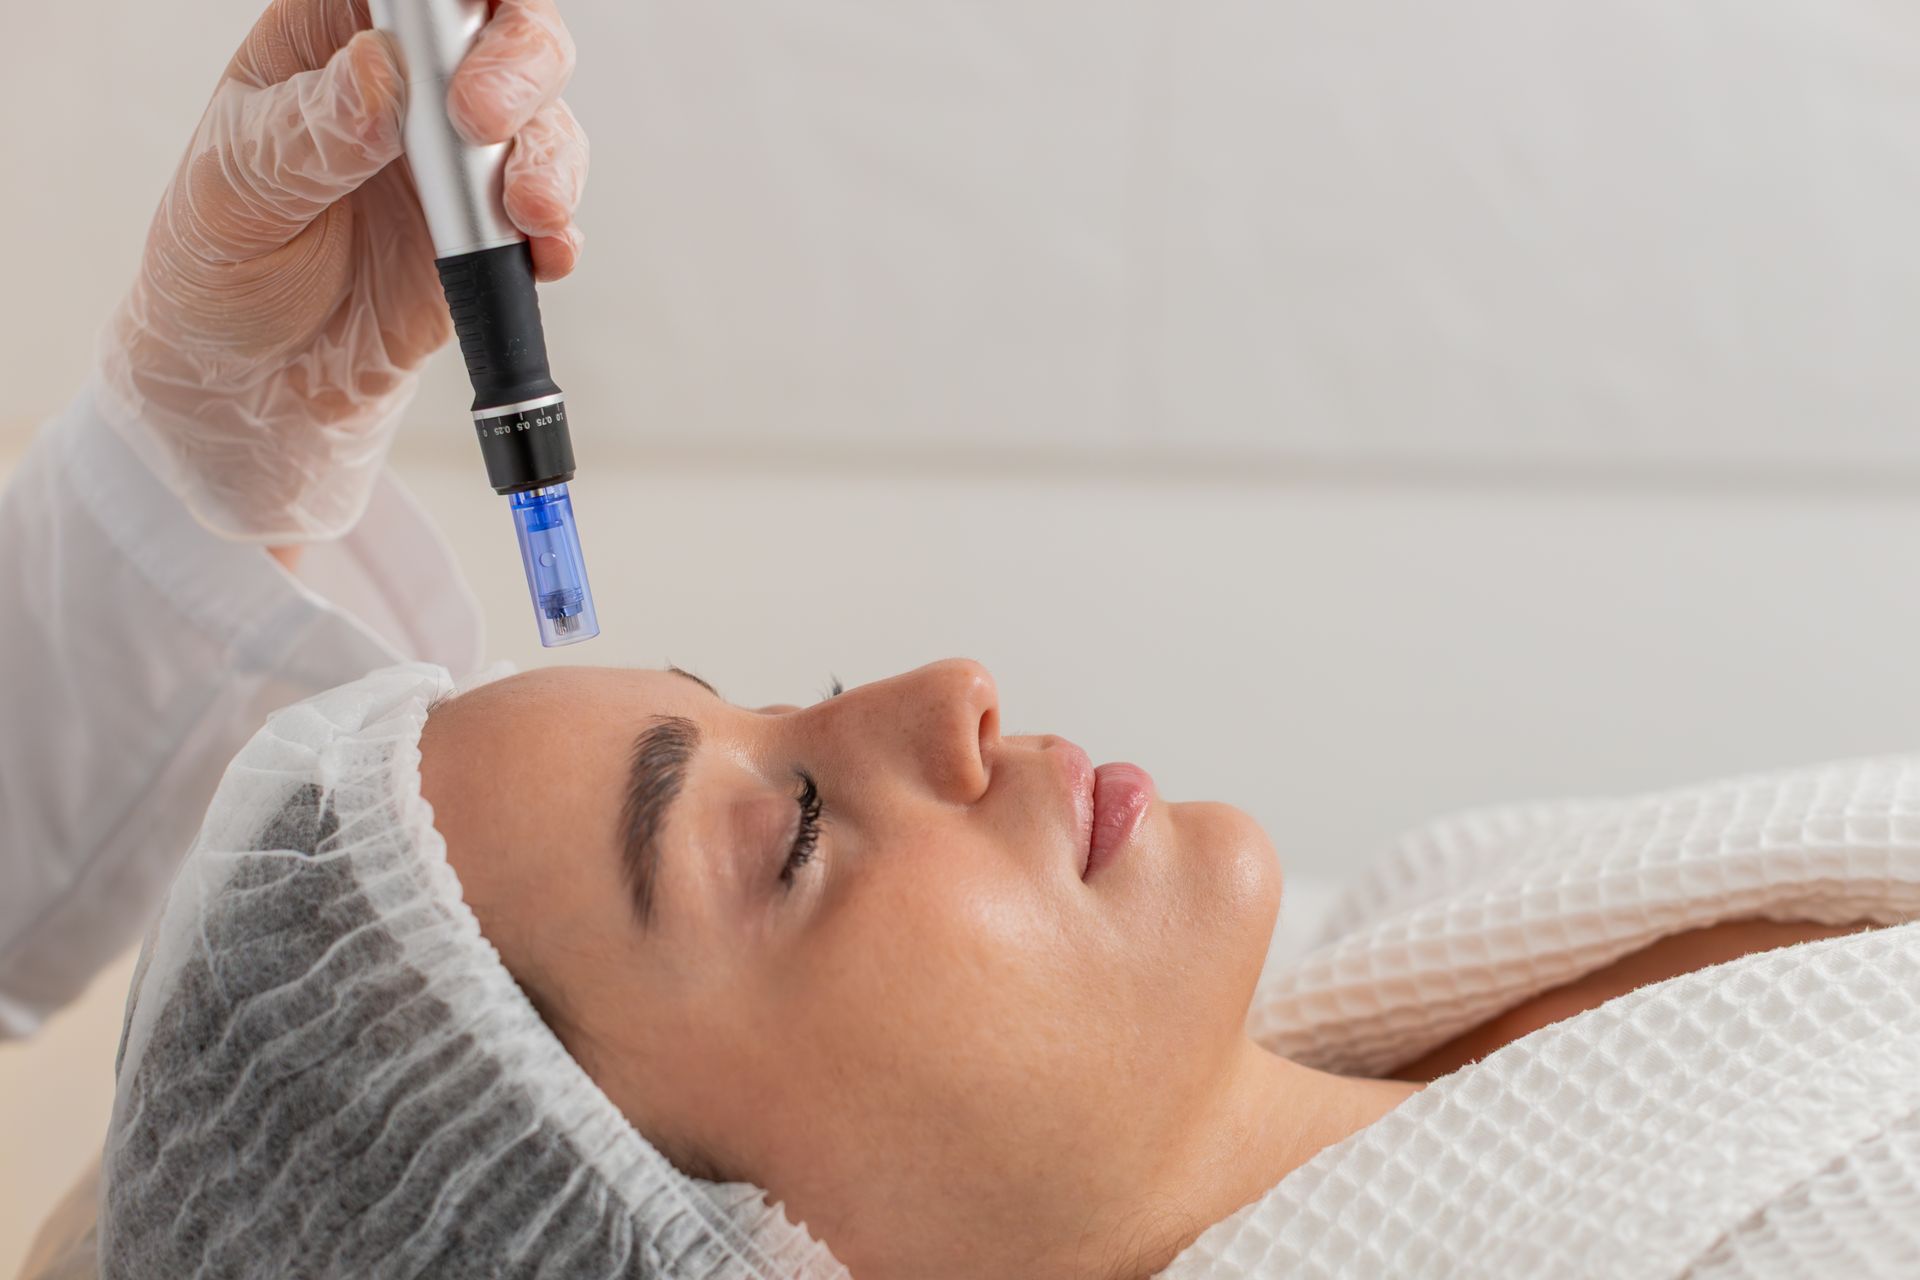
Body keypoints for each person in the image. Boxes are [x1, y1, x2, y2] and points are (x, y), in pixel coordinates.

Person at [8, 3, 1920, 1278]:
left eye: (770, 704)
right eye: (796, 835)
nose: (951, 692)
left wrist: (191, 465)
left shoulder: (1438, 917)